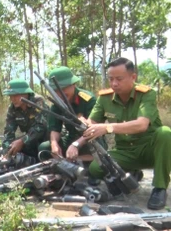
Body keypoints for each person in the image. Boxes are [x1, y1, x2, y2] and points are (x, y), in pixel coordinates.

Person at [84, 57, 171, 210]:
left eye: (119, 79)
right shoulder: (105, 98)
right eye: (110, 79)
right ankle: (130, 174)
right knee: (95, 168)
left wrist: (108, 128)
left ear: (133, 77)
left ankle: (159, 188)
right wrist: (84, 128)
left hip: (149, 149)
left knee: (165, 132)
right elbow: (91, 123)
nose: (114, 83)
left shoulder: (146, 94)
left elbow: (141, 124)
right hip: (125, 151)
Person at [38, 66, 104, 161]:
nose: (60, 94)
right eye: (56, 91)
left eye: (63, 89)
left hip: (90, 140)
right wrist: (54, 144)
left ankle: (81, 160)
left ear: (73, 84)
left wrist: (76, 145)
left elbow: (94, 129)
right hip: (71, 139)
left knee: (97, 154)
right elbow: (55, 128)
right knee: (45, 147)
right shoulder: (57, 103)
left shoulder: (88, 100)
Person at [2, 79, 49, 158]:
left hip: (47, 137)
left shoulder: (38, 102)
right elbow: (8, 131)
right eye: (10, 96)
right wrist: (6, 149)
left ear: (26, 93)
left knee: (42, 148)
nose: (12, 99)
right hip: (31, 139)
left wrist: (22, 141)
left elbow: (41, 127)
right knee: (13, 147)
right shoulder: (12, 108)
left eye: (15, 95)